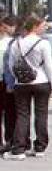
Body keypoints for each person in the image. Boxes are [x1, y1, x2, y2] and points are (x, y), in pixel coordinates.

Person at [4, 15, 52, 161]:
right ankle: (40, 147)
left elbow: (11, 65)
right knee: (41, 115)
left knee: (22, 115)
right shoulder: (43, 43)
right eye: (42, 26)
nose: (44, 28)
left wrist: (18, 78)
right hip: (42, 82)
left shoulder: (16, 43)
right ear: (34, 26)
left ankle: (19, 149)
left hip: (21, 84)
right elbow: (49, 66)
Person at [0, 15, 18, 153]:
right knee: (10, 113)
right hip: (8, 81)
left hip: (5, 80)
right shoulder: (12, 43)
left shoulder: (11, 42)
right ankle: (10, 141)